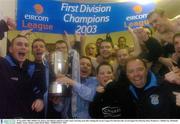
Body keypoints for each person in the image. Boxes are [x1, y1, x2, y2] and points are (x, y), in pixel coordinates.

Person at [0, 35, 44, 118]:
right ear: (10, 49)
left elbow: (35, 89)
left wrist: (39, 99)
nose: (23, 47)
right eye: (19, 44)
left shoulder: (31, 67)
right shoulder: (2, 65)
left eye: (26, 45)